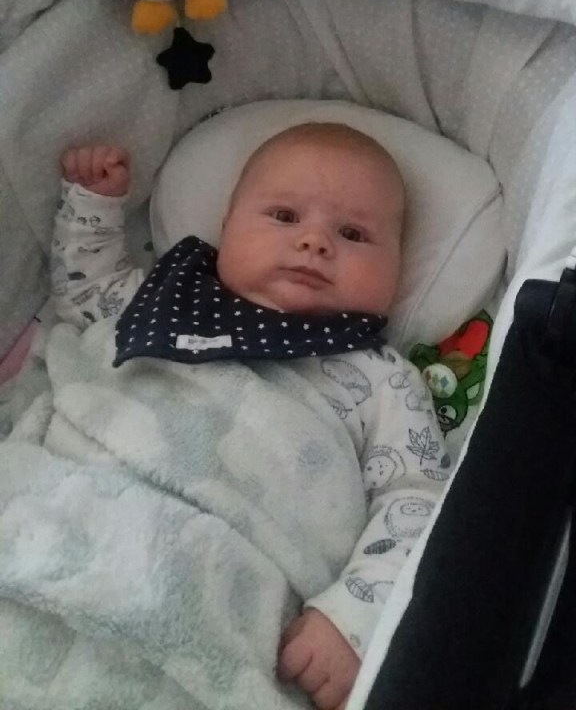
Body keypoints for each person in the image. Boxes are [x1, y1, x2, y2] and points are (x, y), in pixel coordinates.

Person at [52, 123, 449, 710]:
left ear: (398, 265)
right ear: (227, 226)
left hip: (223, 578)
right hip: (71, 508)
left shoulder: (379, 376)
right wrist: (94, 205)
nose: (314, 242)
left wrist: (352, 616)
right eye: (285, 217)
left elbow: (416, 499)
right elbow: (89, 298)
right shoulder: (169, 298)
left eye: (353, 233)